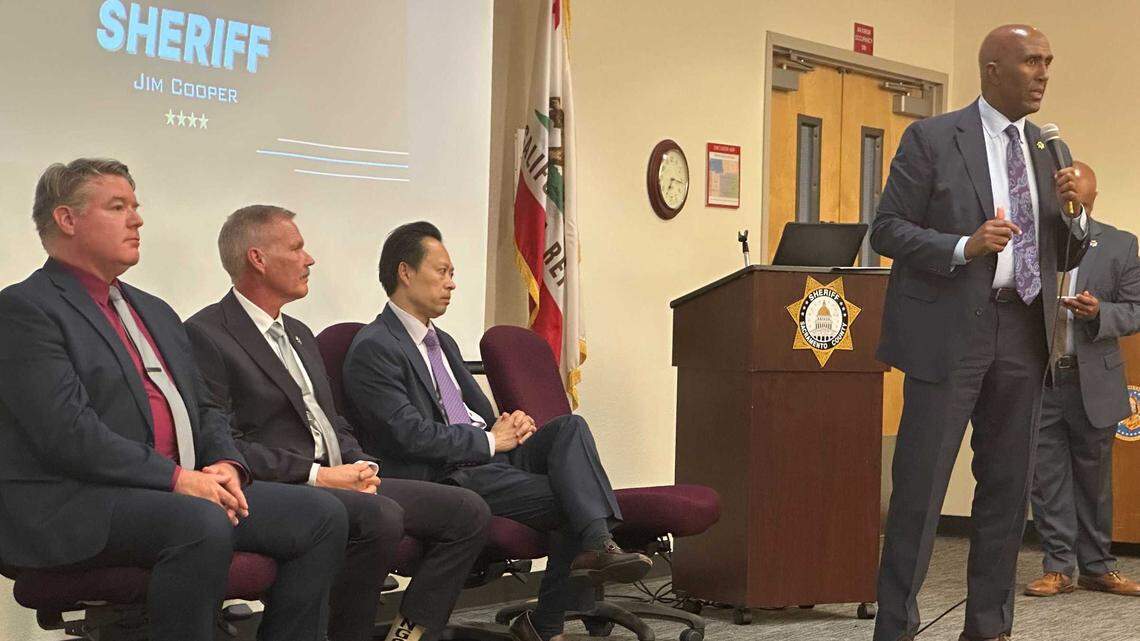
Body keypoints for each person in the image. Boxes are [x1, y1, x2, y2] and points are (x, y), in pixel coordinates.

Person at [0, 158, 348, 641]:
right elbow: (69, 436)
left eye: (135, 206)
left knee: (322, 515)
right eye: (118, 207)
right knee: (200, 522)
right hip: (77, 503)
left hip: (175, 488)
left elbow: (204, 407)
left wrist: (225, 463)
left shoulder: (155, 311)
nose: (137, 220)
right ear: (67, 219)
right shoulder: (26, 309)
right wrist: (177, 479)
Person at [869, 25, 1090, 641]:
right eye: (1031, 62)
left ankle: (989, 626)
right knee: (921, 487)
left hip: (1024, 329)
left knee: (1007, 490)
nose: (1043, 74)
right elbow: (886, 229)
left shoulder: (1049, 149)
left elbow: (1066, 250)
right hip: (949, 332)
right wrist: (963, 246)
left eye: (1048, 62)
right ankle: (896, 627)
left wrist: (1077, 213)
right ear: (993, 69)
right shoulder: (933, 137)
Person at [185, 205, 492, 641]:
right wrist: (318, 475)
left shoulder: (299, 333)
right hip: (284, 486)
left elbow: (333, 421)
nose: (309, 259)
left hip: (340, 476)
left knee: (467, 511)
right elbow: (223, 443)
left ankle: (409, 633)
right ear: (258, 259)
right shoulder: (207, 334)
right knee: (381, 516)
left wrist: (361, 464)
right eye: (296, 248)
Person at [342, 221, 651, 641]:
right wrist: (489, 440)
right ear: (405, 272)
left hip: (485, 459)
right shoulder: (375, 346)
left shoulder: (442, 342)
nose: (452, 283)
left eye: (452, 274)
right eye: (442, 272)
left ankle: (597, 548)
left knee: (569, 428)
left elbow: (477, 414)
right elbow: (409, 435)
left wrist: (507, 426)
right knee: (574, 500)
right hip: (444, 476)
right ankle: (553, 613)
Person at [1025, 161, 1140, 599]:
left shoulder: (1120, 244)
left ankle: (1098, 567)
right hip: (1041, 379)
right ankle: (1058, 567)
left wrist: (1099, 313)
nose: (1073, 211)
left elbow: (1136, 309)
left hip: (1093, 381)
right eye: (1066, 203)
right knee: (1045, 478)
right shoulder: (1032, 242)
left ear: (1093, 200)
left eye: (1082, 204)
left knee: (1094, 482)